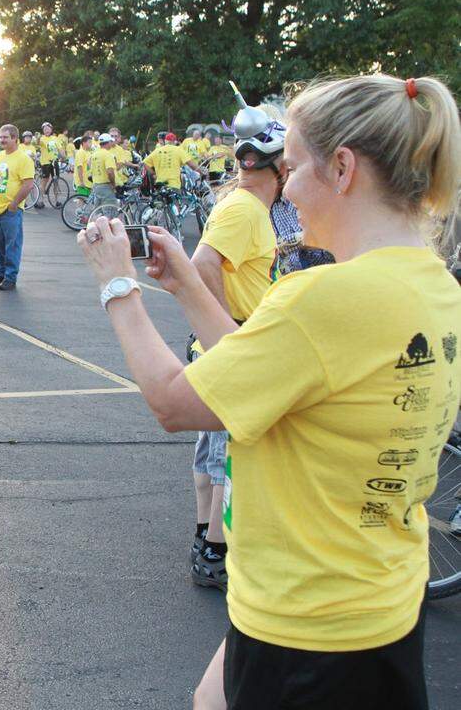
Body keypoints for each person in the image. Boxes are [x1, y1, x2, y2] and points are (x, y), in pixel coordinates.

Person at [77, 73, 460, 710]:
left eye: (293, 168)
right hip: (377, 596)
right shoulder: (432, 284)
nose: (288, 189)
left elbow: (176, 401)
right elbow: (260, 379)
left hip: (307, 627)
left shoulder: (327, 298)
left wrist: (118, 287)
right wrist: (187, 287)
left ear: (342, 169)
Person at [181, 97, 284, 590]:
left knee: (212, 451)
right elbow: (202, 264)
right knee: (228, 458)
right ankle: (217, 553)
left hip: (219, 344)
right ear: (278, 167)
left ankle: (205, 540)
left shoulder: (244, 207)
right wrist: (229, 330)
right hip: (231, 343)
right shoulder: (244, 208)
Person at [0, 124, 35, 291]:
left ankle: (10, 277)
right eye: (0, 137)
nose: (2, 140)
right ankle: (1, 273)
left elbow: (28, 184)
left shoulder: (23, 159)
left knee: (12, 245)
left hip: (11, 210)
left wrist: (14, 204)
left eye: (6, 137)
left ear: (15, 138)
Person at [88, 134, 118, 209]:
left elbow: (90, 165)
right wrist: (113, 184)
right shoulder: (108, 155)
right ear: (108, 142)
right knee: (110, 211)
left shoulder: (94, 154)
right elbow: (110, 172)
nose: (111, 143)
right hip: (105, 186)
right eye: (111, 141)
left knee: (98, 211)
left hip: (96, 185)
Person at [36, 122, 60, 208]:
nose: (46, 130)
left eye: (48, 128)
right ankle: (40, 201)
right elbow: (38, 142)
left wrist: (64, 157)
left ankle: (57, 201)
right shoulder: (42, 138)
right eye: (44, 129)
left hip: (55, 162)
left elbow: (60, 149)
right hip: (45, 163)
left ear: (51, 129)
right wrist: (38, 138)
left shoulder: (55, 138)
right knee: (44, 182)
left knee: (56, 182)